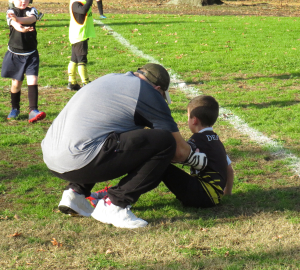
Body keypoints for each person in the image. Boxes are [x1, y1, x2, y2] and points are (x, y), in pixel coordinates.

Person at [41, 63, 208, 229]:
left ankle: (75, 194)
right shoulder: (149, 93)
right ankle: (115, 204)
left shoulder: (111, 78)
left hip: (52, 157)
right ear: (158, 89)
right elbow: (178, 152)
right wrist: (195, 157)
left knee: (106, 134)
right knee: (164, 142)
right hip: (80, 159)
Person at [161, 95, 234, 208]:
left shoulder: (197, 140)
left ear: (194, 120)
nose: (187, 120)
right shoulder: (216, 140)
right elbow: (229, 169)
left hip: (202, 195)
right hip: (214, 198)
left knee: (161, 166)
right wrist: (227, 192)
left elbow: (179, 155)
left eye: (188, 117)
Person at [2, 0, 46, 122]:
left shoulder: (32, 10)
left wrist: (20, 21)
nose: (23, 1)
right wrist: (19, 27)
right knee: (16, 84)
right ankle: (15, 108)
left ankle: (33, 110)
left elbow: (31, 19)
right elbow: (14, 24)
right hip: (16, 55)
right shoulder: (10, 12)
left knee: (33, 80)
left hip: (31, 54)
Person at [67, 0, 96, 91]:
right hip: (79, 36)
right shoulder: (75, 3)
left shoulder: (80, 1)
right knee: (81, 60)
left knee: (74, 59)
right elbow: (83, 10)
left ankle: (72, 82)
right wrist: (89, 0)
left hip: (78, 35)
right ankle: (85, 82)